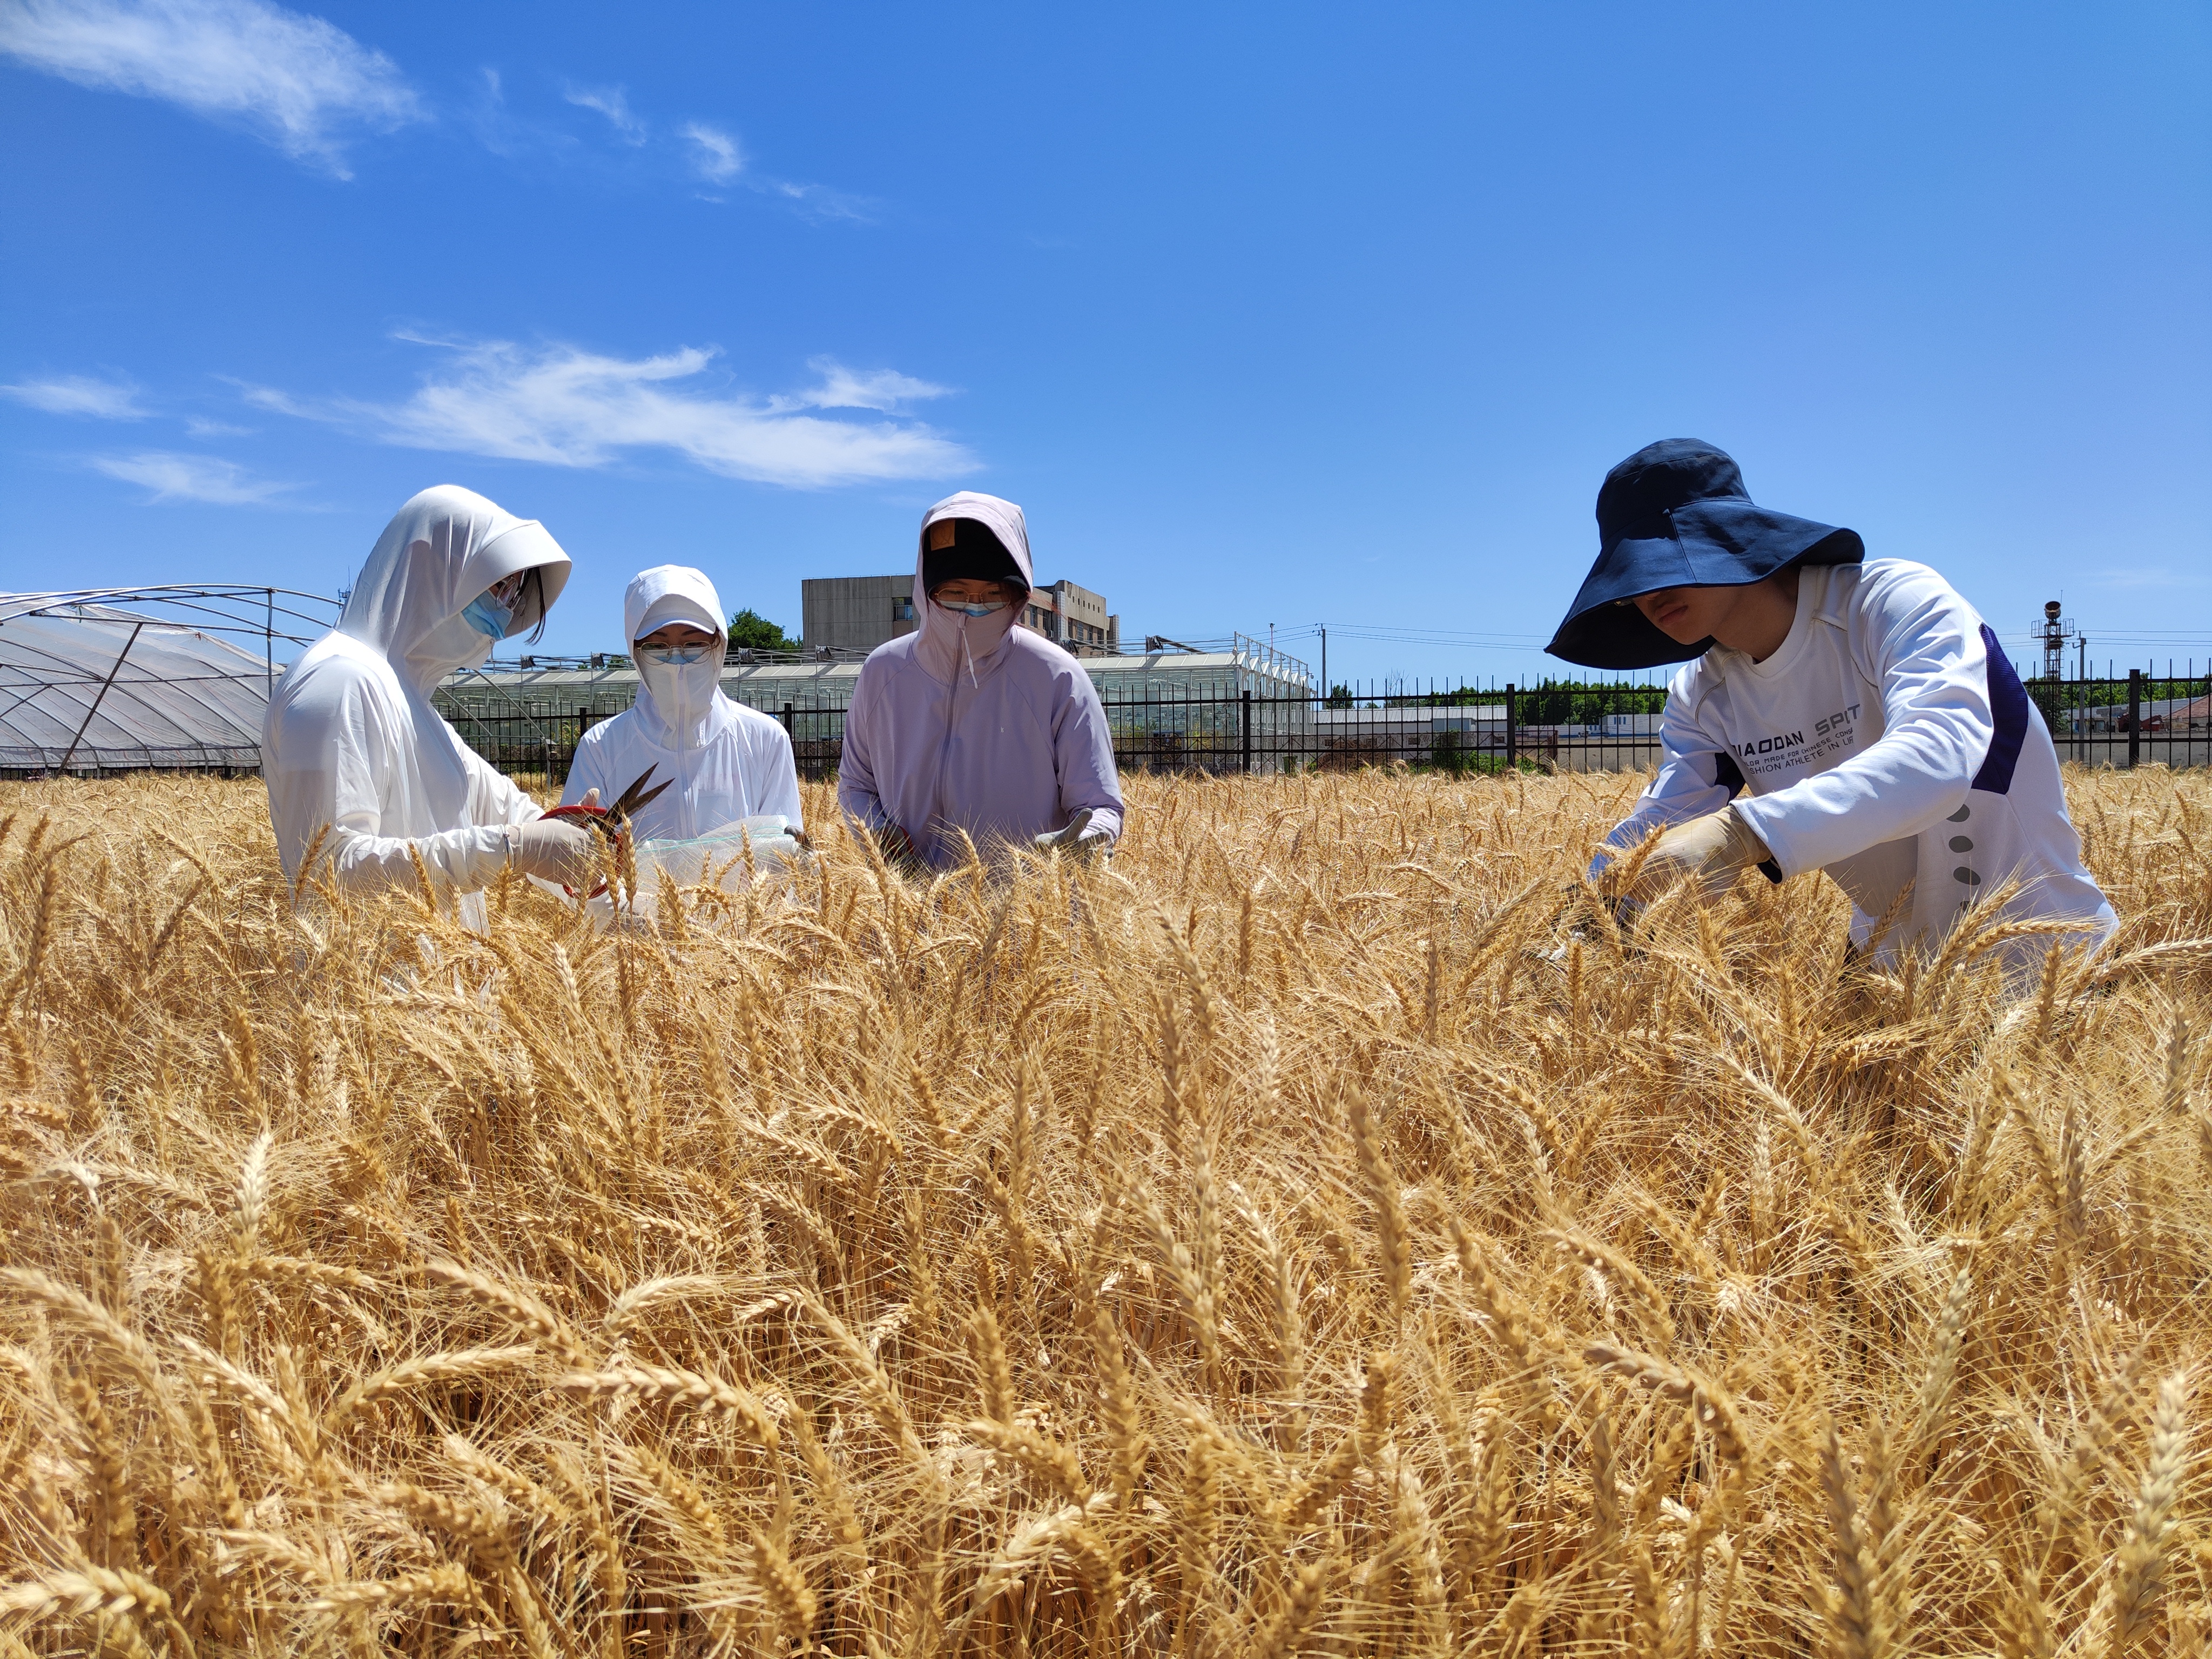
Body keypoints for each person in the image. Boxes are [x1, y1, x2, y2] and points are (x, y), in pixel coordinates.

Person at [1549, 439, 2113, 967]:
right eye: (1631, 577)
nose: (1646, 594)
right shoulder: (1702, 696)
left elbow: (1938, 758)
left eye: (1665, 561)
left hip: (2046, 961)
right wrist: (1589, 908)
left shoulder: (1889, 603)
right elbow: (1663, 822)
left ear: (1729, 537)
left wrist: (1740, 835)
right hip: (1886, 976)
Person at [263, 484, 598, 919]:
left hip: (434, 987)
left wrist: (576, 829)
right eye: (499, 586)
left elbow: (507, 809)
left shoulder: (421, 714)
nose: (505, 611)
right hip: (368, 988)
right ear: (436, 568)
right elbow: (331, 876)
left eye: (514, 596)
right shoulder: (339, 683)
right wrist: (511, 849)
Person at [838, 490, 1122, 872]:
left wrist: (1088, 840)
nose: (972, 609)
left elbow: (1101, 802)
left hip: (1027, 917)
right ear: (927, 591)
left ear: (1018, 596)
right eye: (955, 594)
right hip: (908, 917)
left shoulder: (1057, 677)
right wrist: (877, 831)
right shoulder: (883, 673)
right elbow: (856, 784)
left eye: (993, 595)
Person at [561, 565, 802, 841]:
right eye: (657, 647)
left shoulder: (765, 739)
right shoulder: (601, 747)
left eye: (694, 644)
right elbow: (576, 867)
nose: (677, 660)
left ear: (718, 645)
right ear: (635, 652)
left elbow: (781, 864)